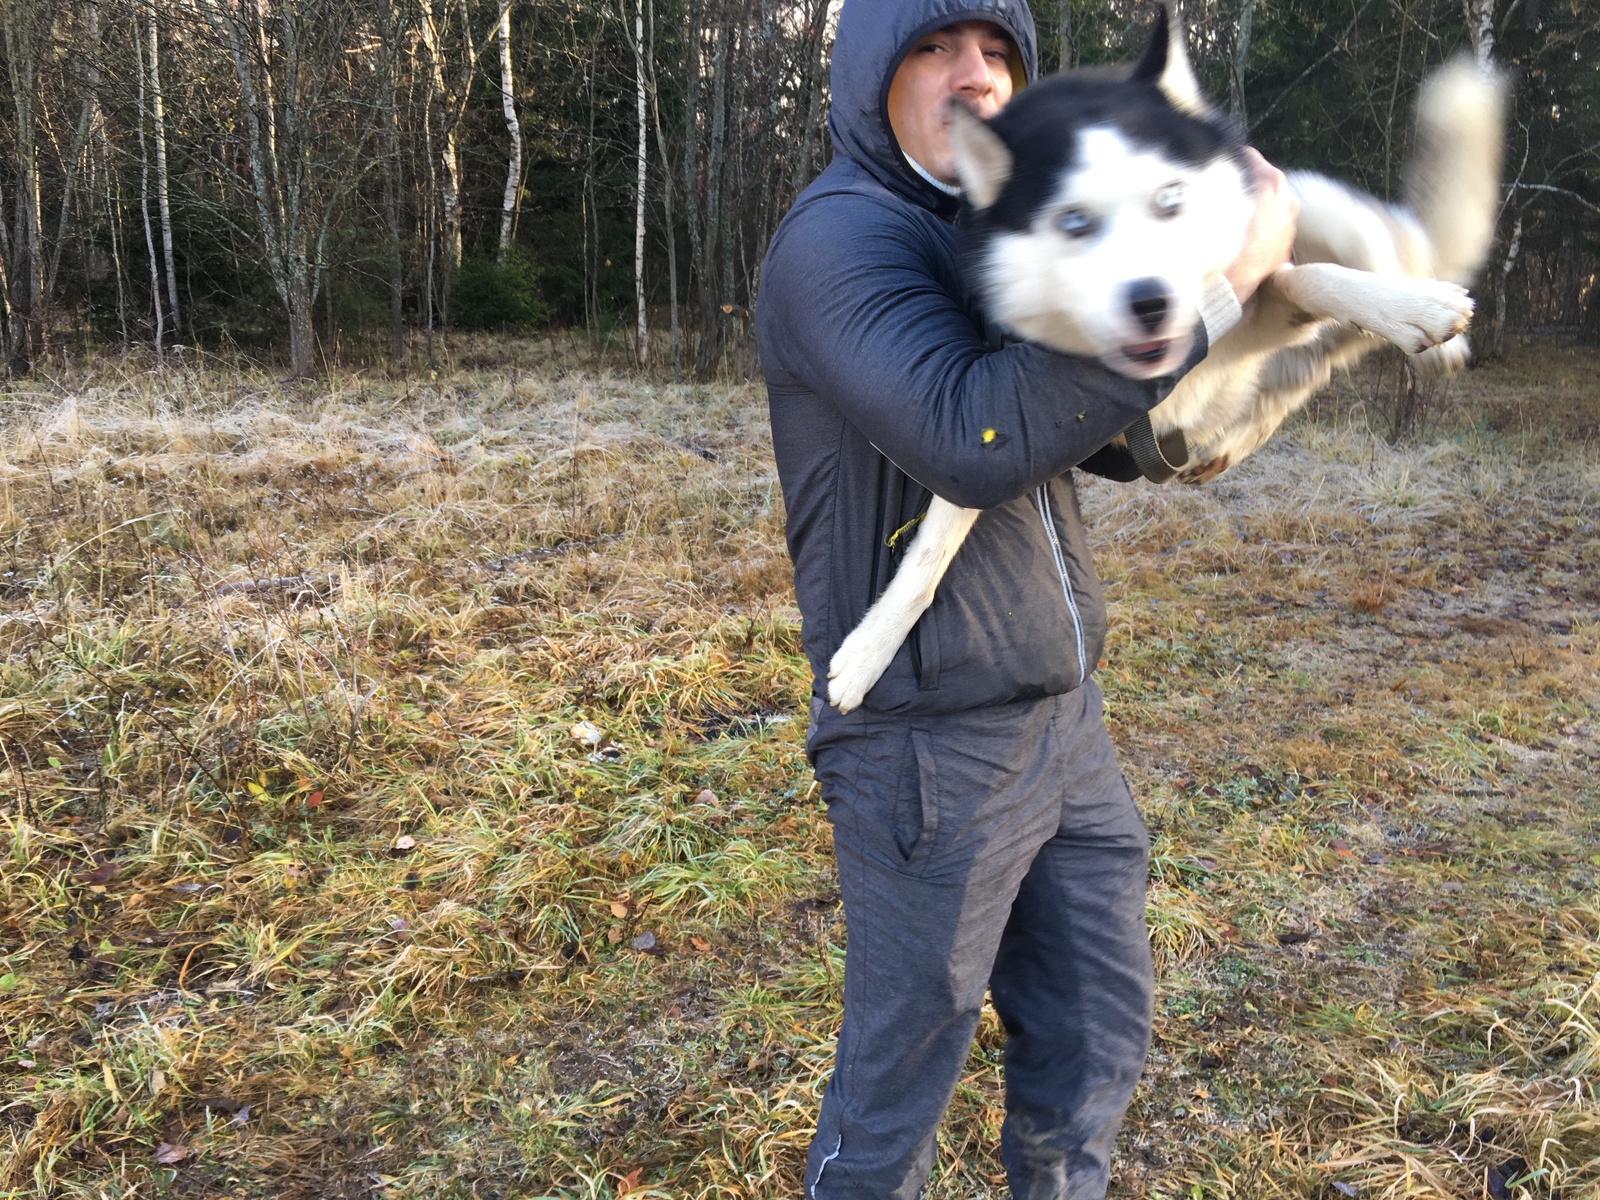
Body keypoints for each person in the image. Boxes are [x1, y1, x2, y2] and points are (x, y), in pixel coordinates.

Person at [755, 1, 1297, 1197]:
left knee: (1094, 1034)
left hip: (1061, 717)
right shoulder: (841, 243)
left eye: (999, 52)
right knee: (896, 1081)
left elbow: (1073, 429)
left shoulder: (986, 226)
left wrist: (1182, 417)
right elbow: (974, 435)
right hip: (925, 744)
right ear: (864, 72)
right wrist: (1226, 278)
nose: (975, 78)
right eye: (937, 48)